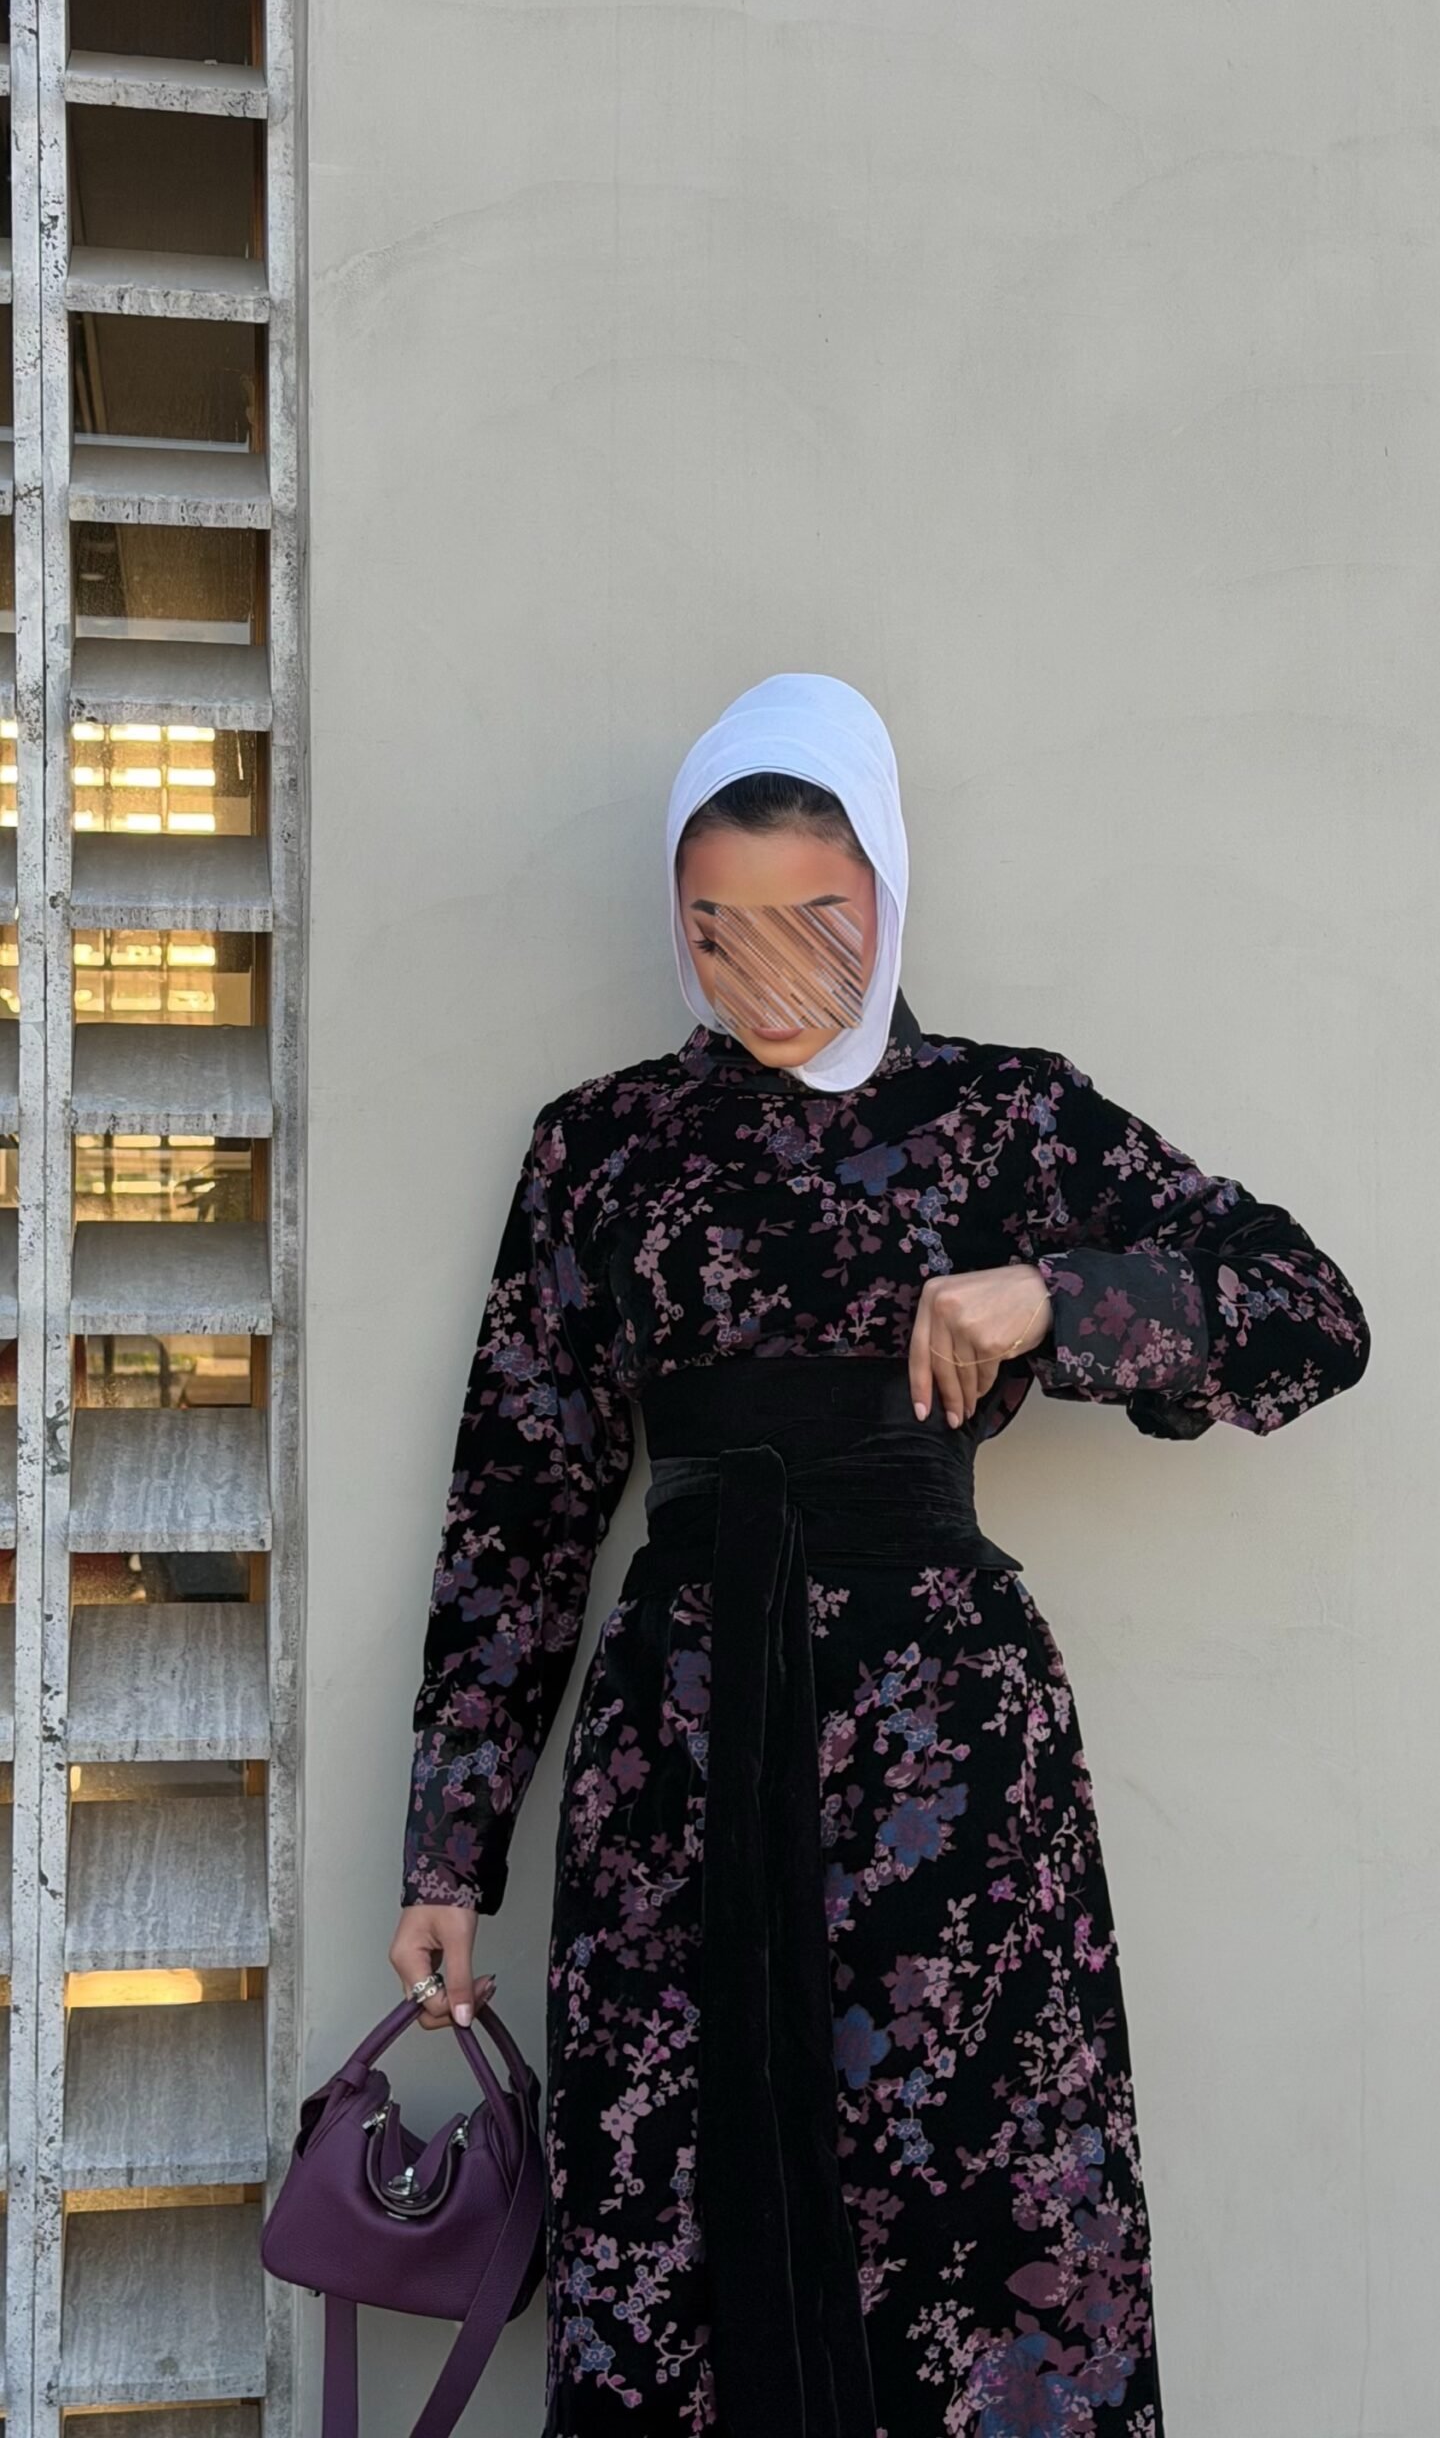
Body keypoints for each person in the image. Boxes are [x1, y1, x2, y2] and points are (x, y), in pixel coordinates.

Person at [389, 673, 1370, 2438]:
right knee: (679, 2212)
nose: (766, 972)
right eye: (719, 927)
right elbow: (518, 1505)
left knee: (973, 2210)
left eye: (817, 923)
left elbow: (1310, 1315)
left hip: (946, 1763)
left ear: (889, 896)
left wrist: (1056, 1300)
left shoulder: (1009, 1119)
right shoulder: (601, 1149)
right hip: (682, 1751)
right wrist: (449, 1851)